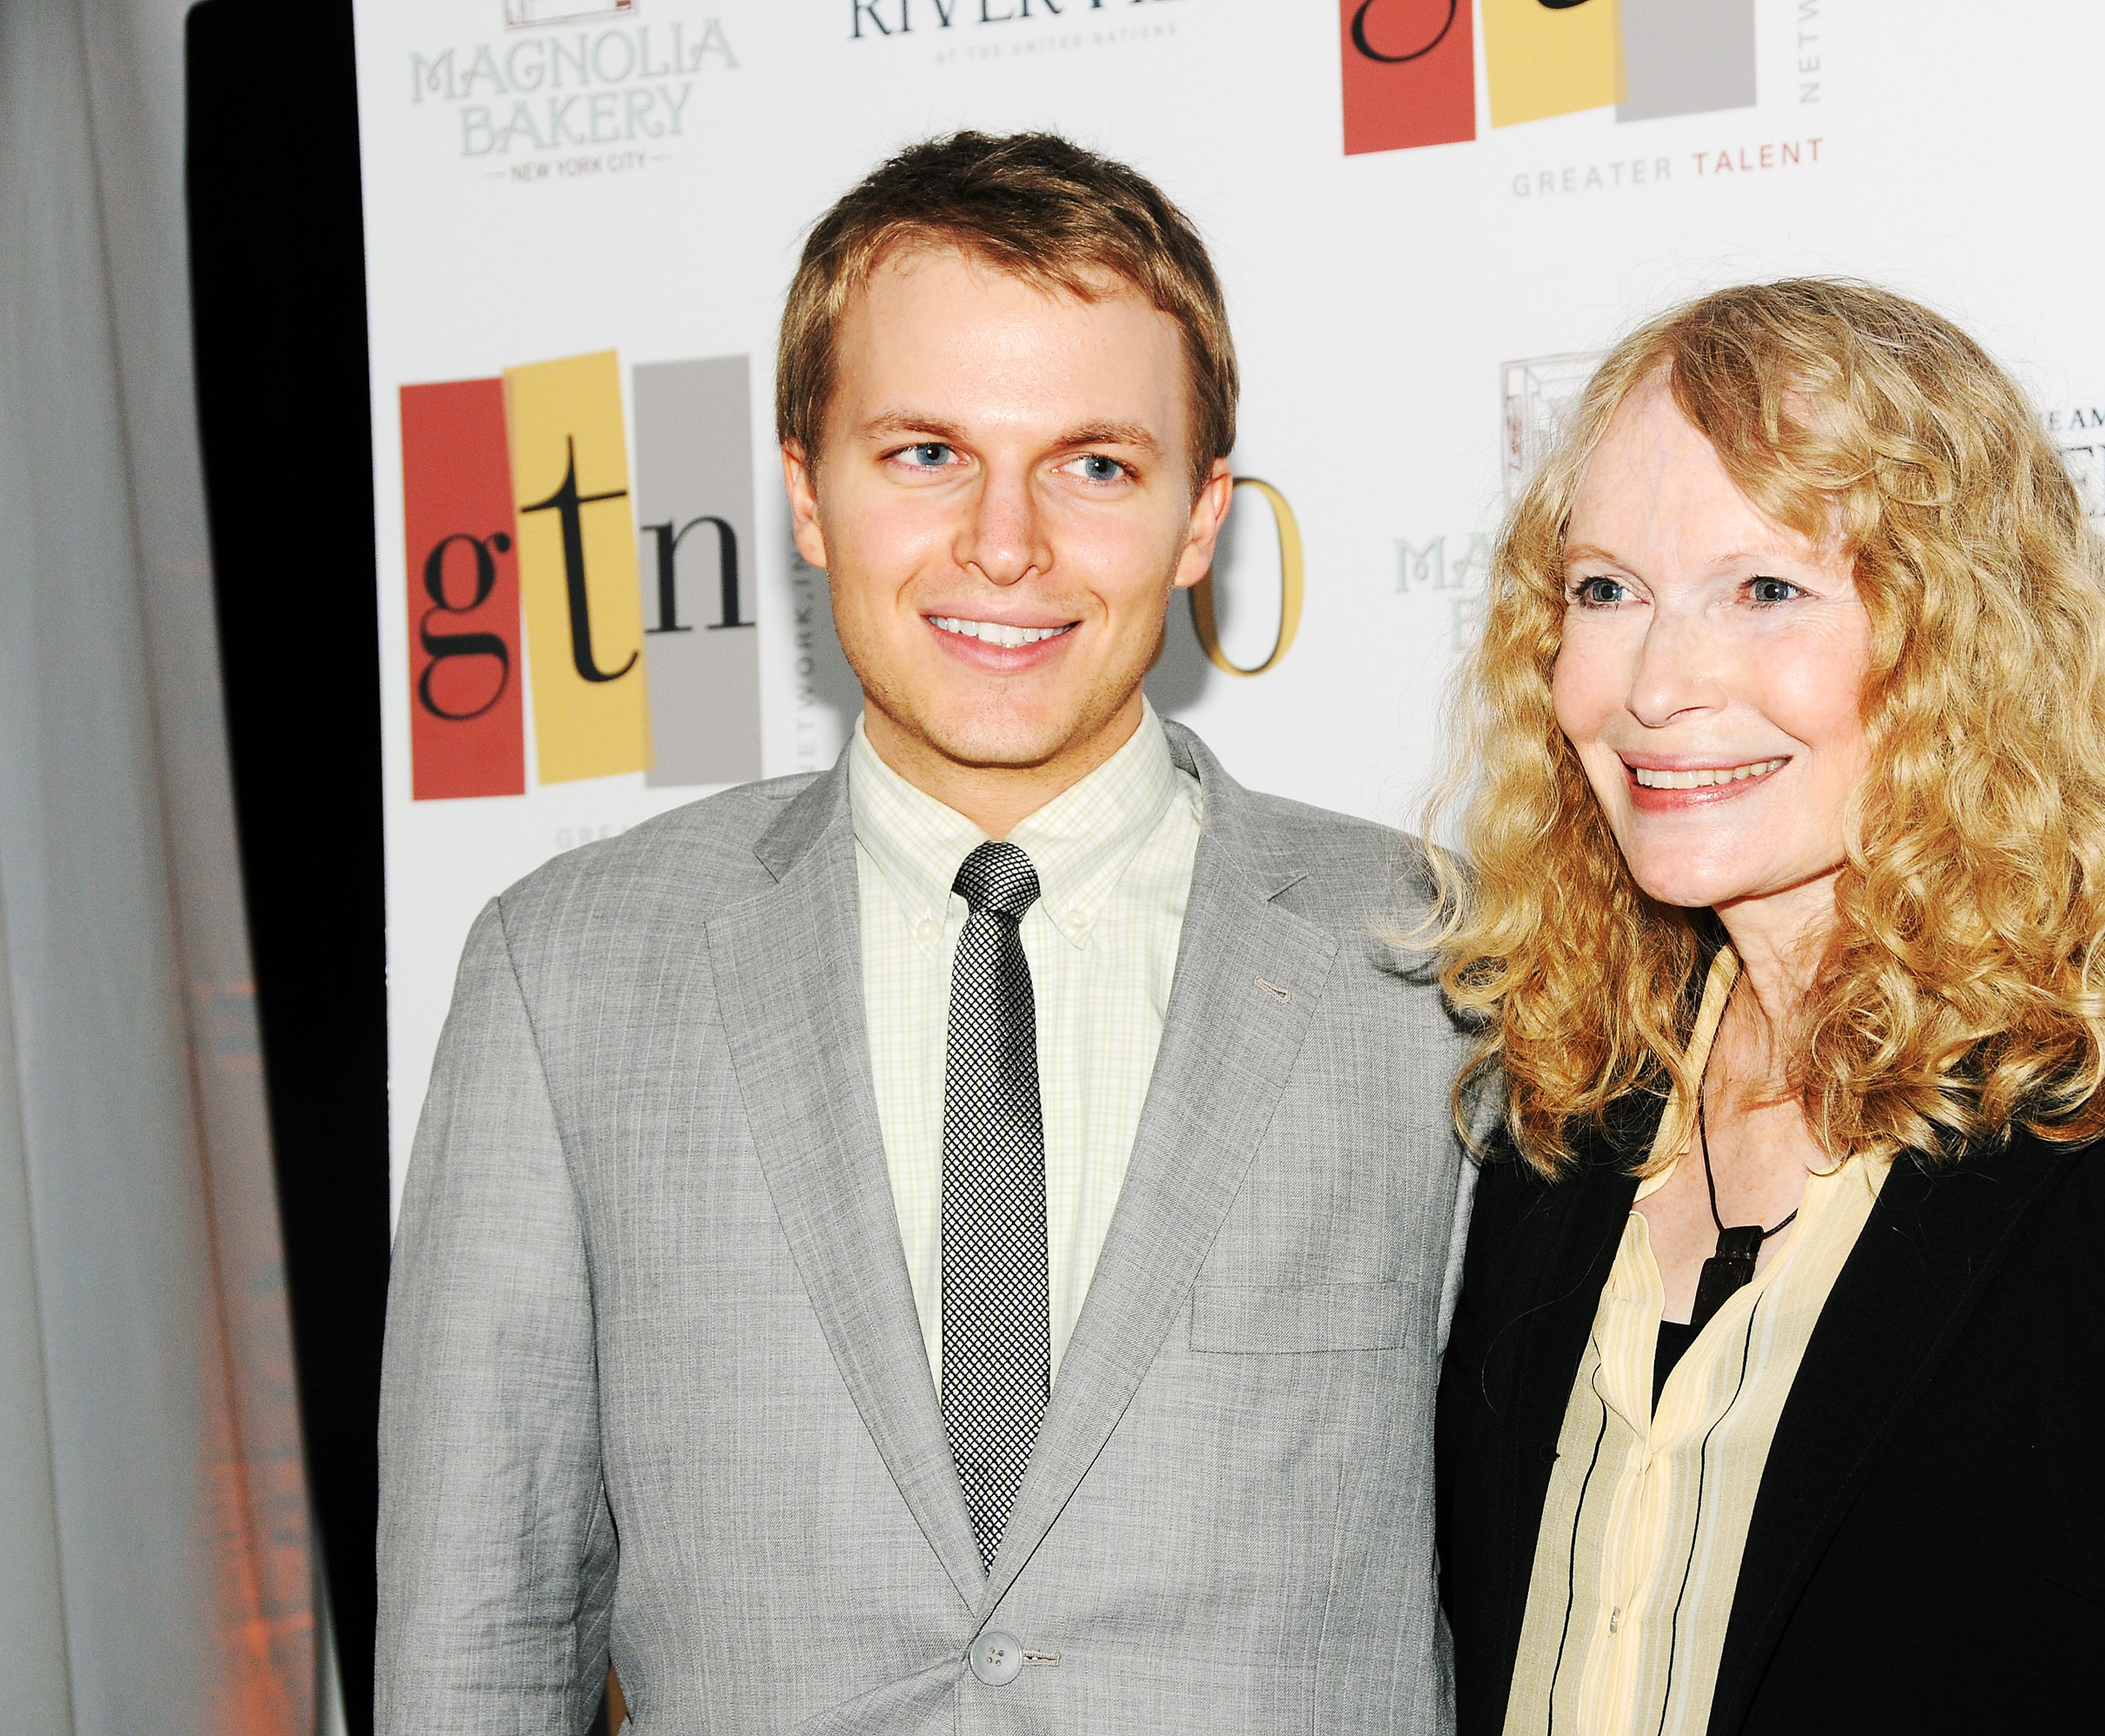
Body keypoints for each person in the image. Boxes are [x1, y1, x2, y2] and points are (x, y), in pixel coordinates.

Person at [379, 132, 1473, 1734]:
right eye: (924, 454)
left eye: (1096, 464)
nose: (1006, 545)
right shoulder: (569, 974)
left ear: (1200, 518)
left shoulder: (1439, 969)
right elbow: (481, 1635)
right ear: (808, 491)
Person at [1431, 279, 2105, 1736]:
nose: (1658, 684)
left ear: (1962, 636)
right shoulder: (1565, 1107)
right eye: (1607, 592)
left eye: (1768, 590)